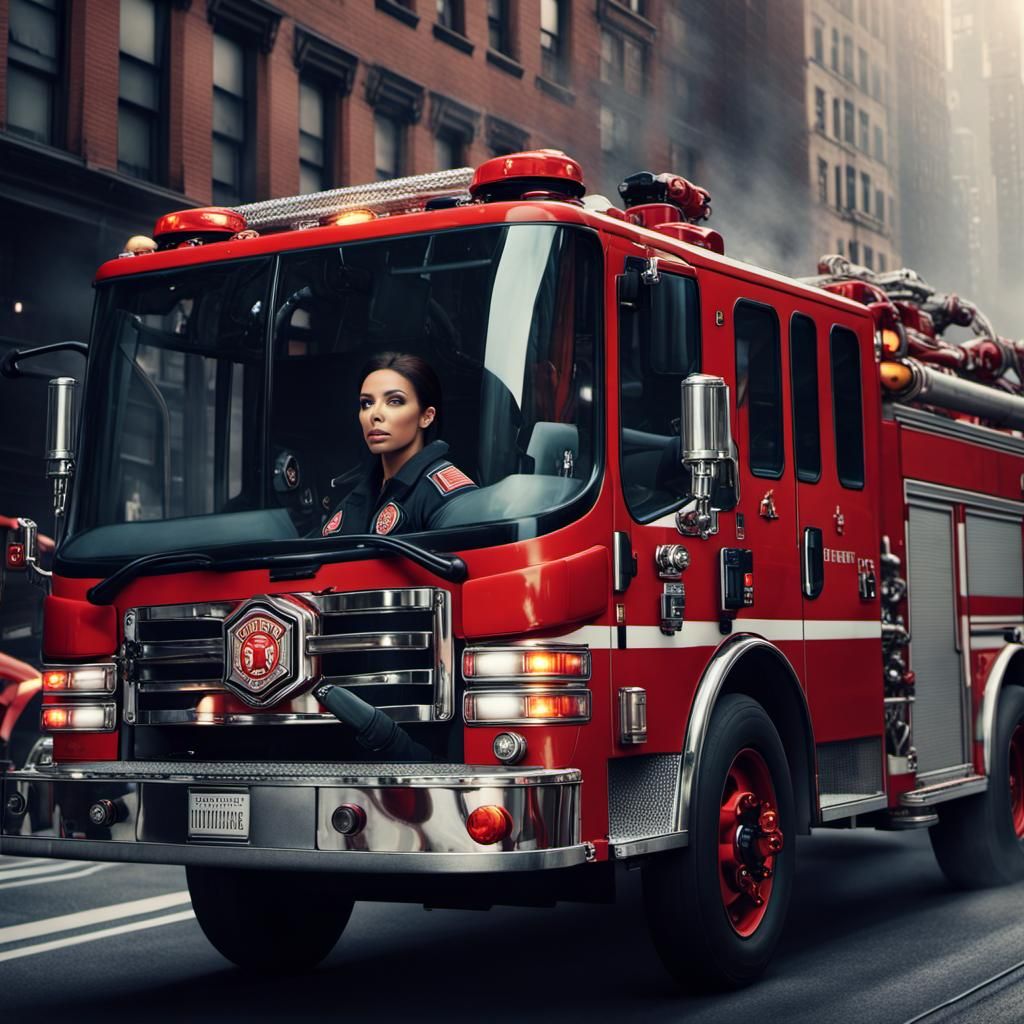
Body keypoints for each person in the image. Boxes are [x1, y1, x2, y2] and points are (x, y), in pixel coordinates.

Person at [320, 352, 477, 537]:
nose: (375, 414)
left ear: (426, 416)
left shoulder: (445, 495)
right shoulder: (361, 489)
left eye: (394, 401)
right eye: (367, 403)